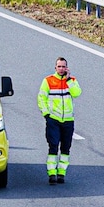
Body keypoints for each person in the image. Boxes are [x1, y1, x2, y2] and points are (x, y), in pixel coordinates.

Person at [38, 57, 82, 185]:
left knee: (66, 147)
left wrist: (69, 81)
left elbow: (77, 93)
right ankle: (52, 173)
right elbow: (41, 98)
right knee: (53, 145)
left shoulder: (72, 81)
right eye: (59, 66)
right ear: (55, 68)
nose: (61, 69)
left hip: (68, 120)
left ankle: (62, 173)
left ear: (67, 68)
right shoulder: (48, 81)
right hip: (54, 119)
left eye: (64, 66)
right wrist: (46, 114)